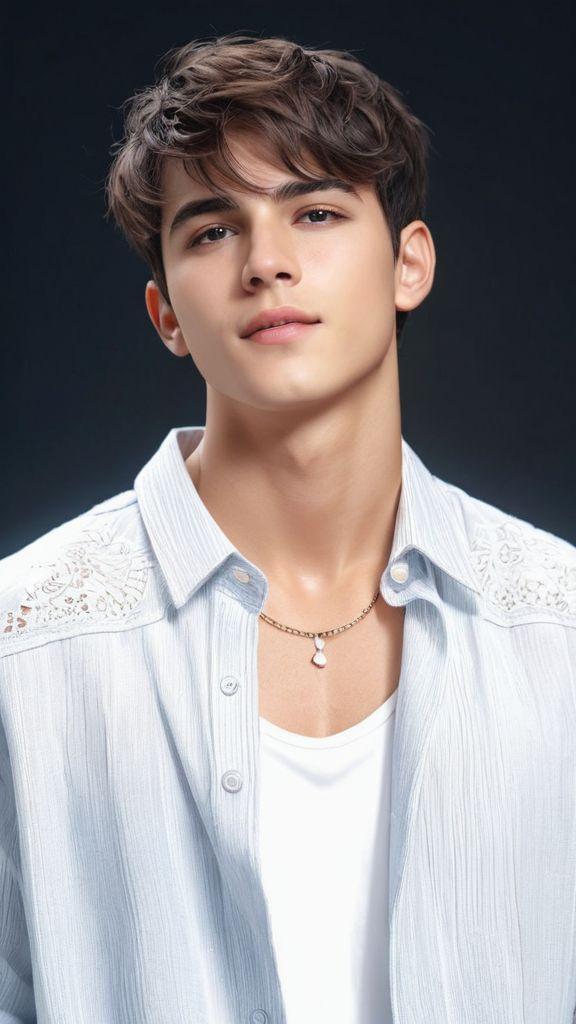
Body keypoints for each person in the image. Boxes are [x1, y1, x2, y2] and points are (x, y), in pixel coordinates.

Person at [1, 31, 575, 1024]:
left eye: (314, 212)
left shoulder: (558, 631)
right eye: (212, 231)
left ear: (408, 264)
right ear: (166, 314)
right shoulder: (23, 646)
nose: (267, 263)